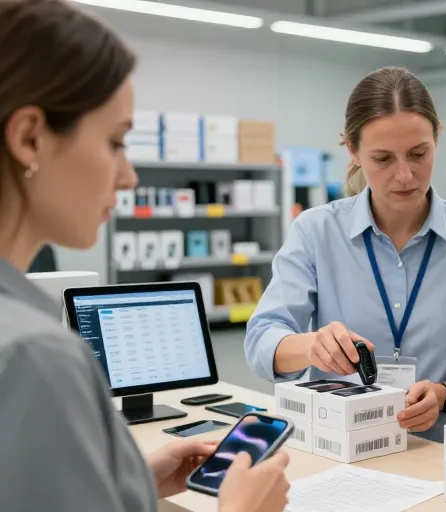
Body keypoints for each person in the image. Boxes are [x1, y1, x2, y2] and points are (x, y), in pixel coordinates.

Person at [0, 1, 291, 511]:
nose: (129, 176)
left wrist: (128, 485)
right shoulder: (35, 356)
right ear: (30, 138)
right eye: (115, 142)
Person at [244, 66, 446, 443]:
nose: (405, 175)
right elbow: (262, 340)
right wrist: (312, 346)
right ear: (353, 151)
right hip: (337, 444)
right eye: (383, 159)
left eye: (419, 154)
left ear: (437, 140)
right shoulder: (316, 231)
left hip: (437, 450)